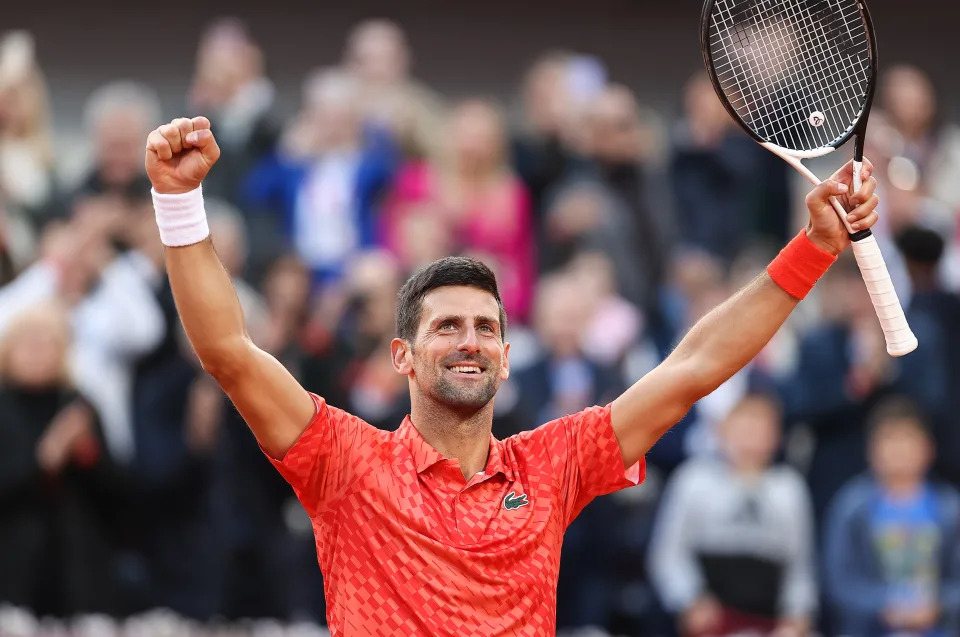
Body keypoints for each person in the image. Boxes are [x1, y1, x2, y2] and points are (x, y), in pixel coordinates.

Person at [144, 116, 880, 635]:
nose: (470, 342)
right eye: (447, 327)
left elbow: (693, 367)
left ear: (505, 353)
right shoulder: (344, 461)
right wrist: (179, 202)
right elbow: (229, 351)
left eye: (486, 327)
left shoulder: (554, 463)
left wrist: (814, 247)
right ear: (401, 354)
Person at [648, 392, 817, 637]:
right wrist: (690, 601)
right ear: (721, 432)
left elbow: (800, 566)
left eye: (760, 428)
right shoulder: (693, 481)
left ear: (776, 436)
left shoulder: (789, 489)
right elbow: (668, 555)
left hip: (770, 620)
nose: (750, 437)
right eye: (743, 427)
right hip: (709, 616)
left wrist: (797, 615)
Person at [824, 397, 960, 636]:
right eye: (889, 440)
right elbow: (839, 582)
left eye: (907, 439)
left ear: (929, 448)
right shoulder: (851, 507)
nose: (898, 450)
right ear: (871, 450)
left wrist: (938, 606)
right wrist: (883, 606)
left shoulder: (950, 508)